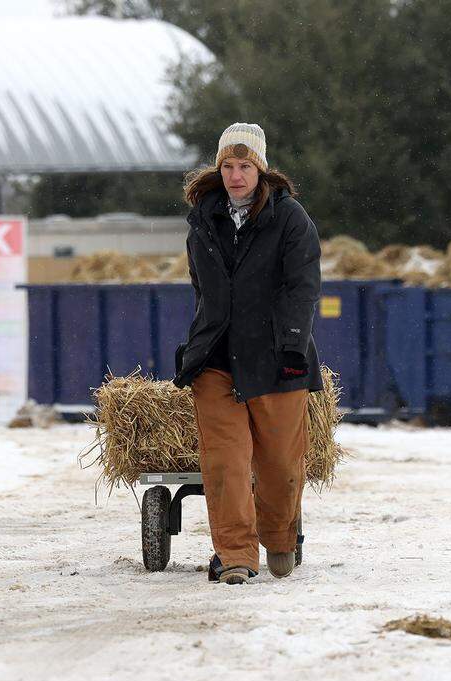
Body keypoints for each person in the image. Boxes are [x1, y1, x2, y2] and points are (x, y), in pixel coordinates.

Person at [173, 123, 322, 585]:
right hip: (216, 358)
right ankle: (235, 554)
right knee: (226, 462)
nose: (235, 175)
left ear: (260, 169)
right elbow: (203, 289)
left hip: (278, 357)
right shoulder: (203, 219)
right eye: (227, 166)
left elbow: (302, 287)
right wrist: (201, 341)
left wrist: (293, 344)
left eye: (244, 166)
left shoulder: (290, 218)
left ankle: (279, 538)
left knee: (279, 465)